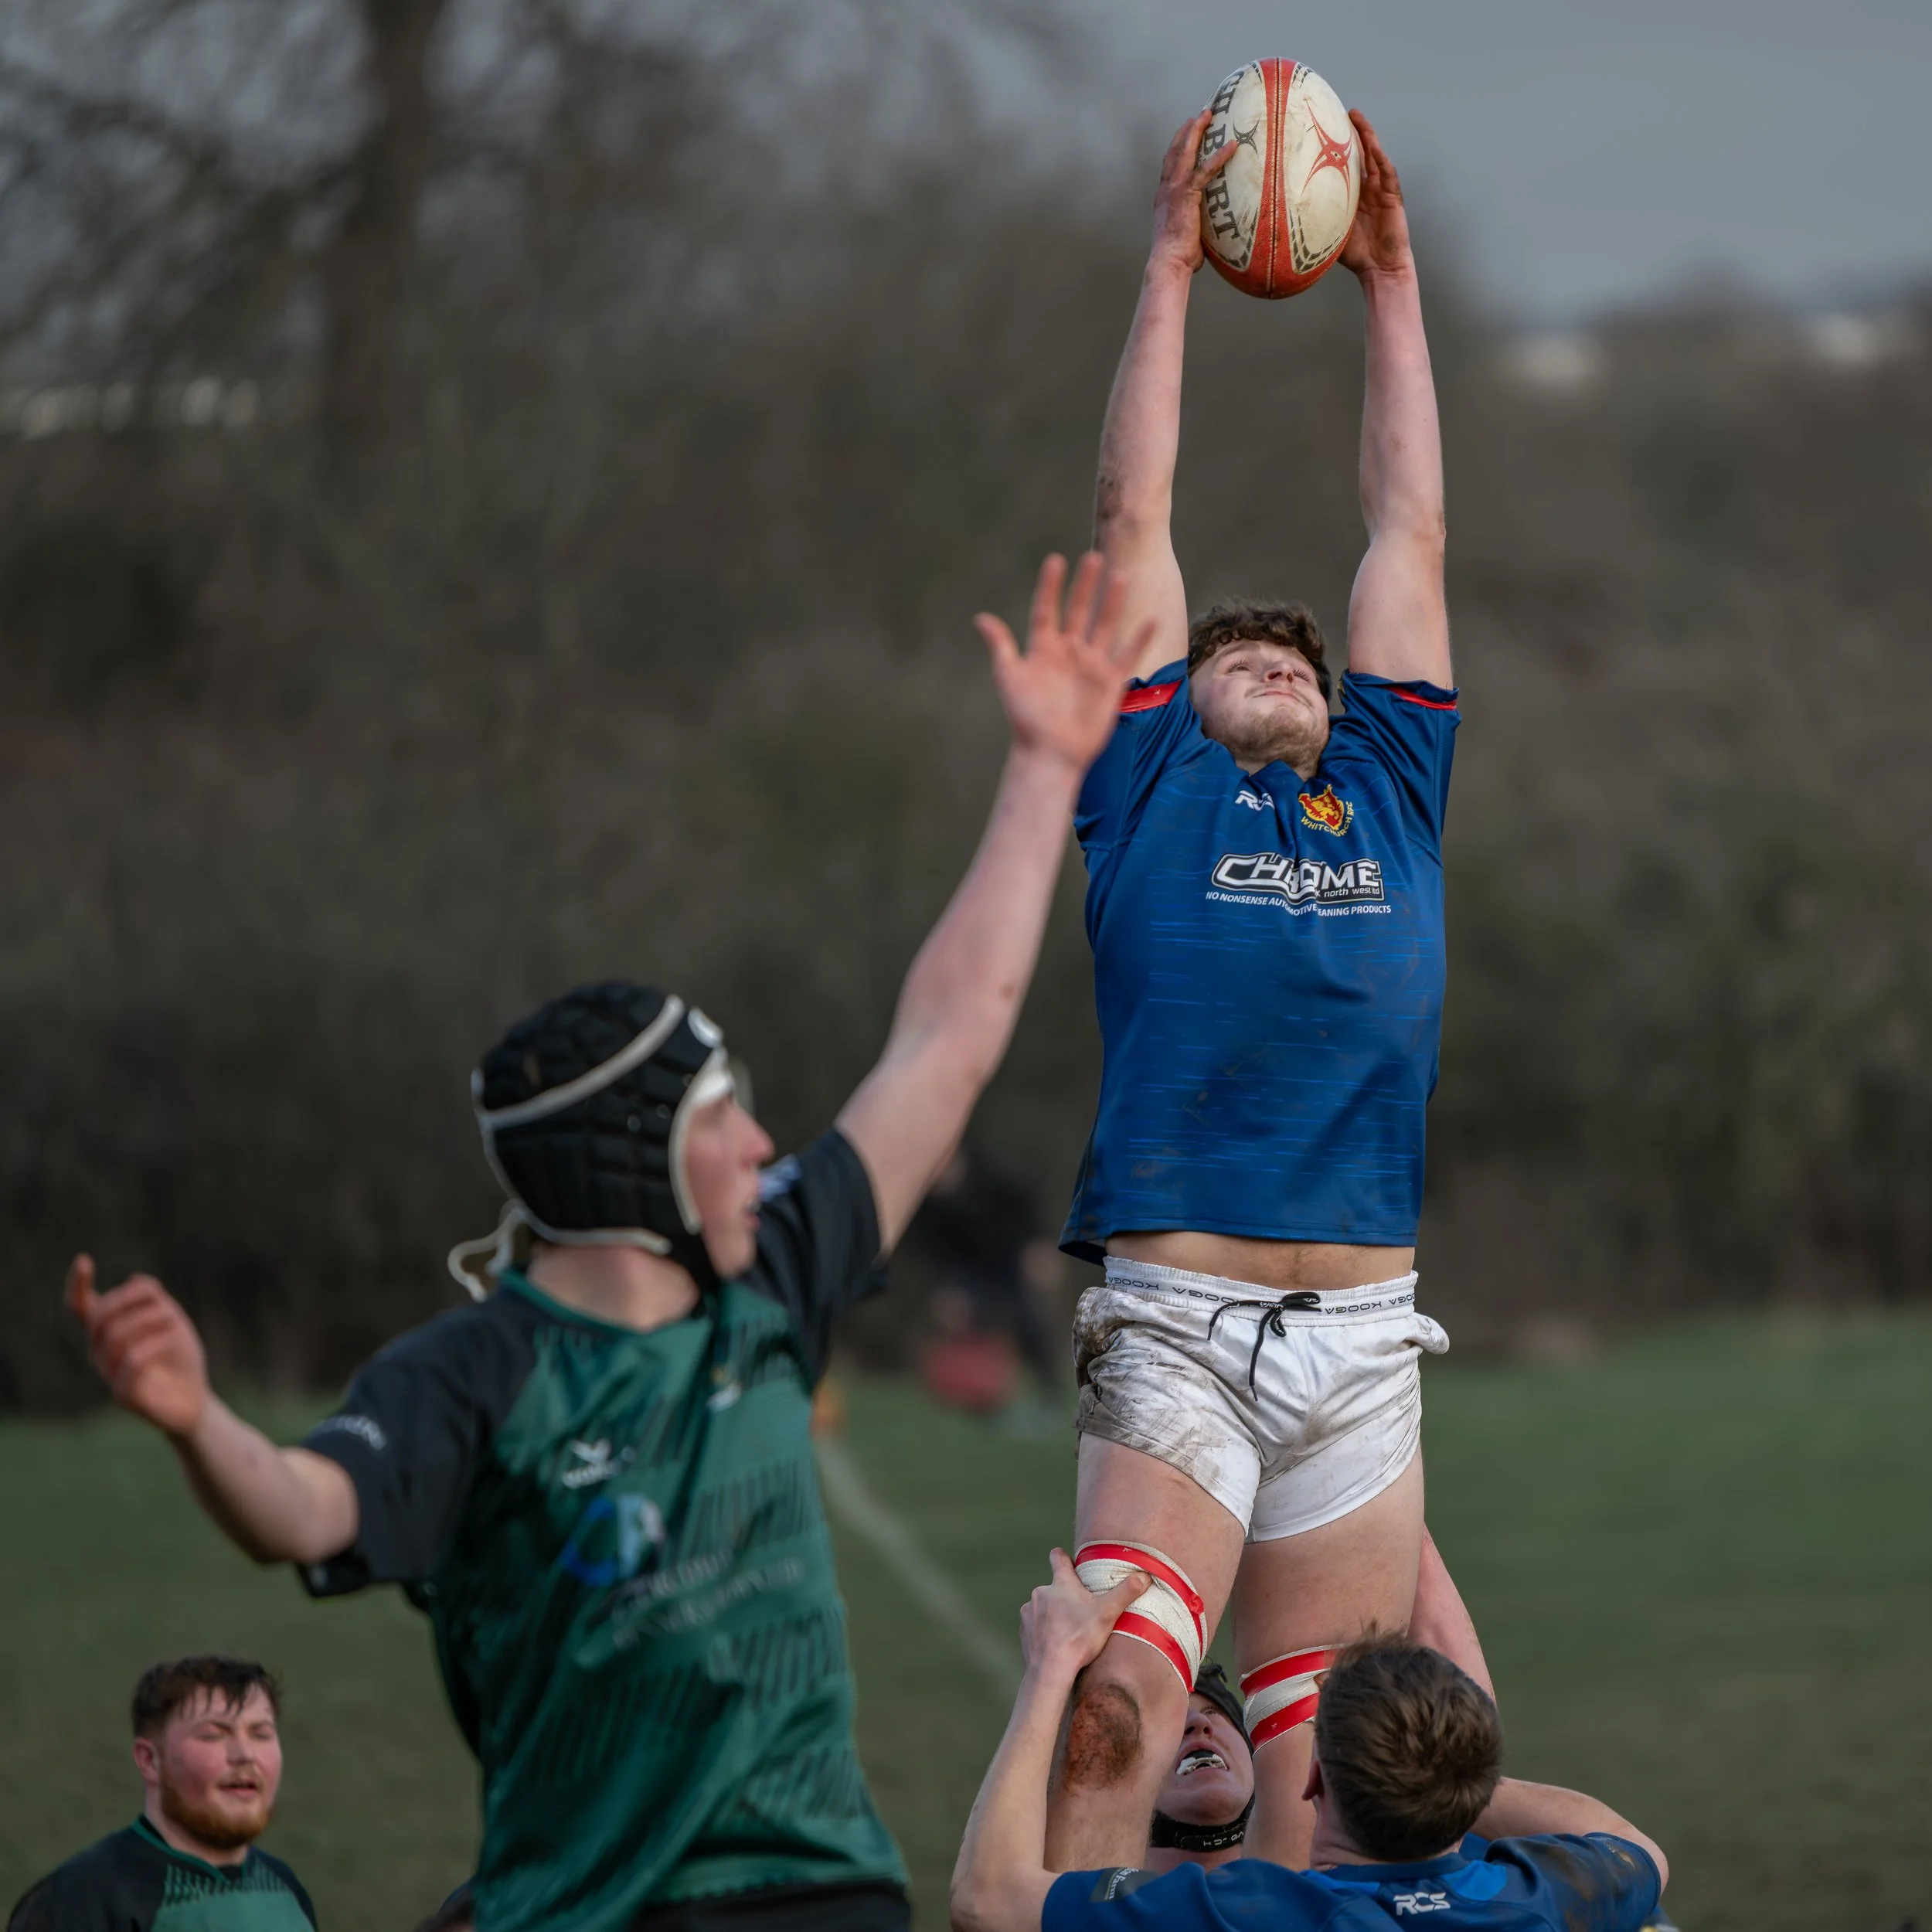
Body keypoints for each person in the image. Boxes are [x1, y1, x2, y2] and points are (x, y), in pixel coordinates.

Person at [65, 553, 1148, 1932]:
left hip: (814, 1893)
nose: (766, 1147)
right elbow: (301, 1509)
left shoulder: (774, 1270)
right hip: (585, 1910)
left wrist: (1048, 765)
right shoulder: (475, 1373)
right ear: (631, 1163)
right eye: (724, 1117)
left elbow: (948, 1038)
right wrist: (192, 1419)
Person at [1051, 100, 1464, 1867]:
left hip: (1365, 1341)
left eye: (1295, 653)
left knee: (1335, 1789)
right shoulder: (1145, 779)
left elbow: (1408, 535)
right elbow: (1133, 512)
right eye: (1237, 647)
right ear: (1180, 688)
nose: (1277, 660)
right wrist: (1168, 266)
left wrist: (1393, 283)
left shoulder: (1390, 786)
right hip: (1183, 1326)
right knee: (1118, 1716)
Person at [951, 1554, 1669, 1932]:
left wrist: (1053, 1663)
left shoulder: (1256, 1913)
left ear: (1312, 1782)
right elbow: (1636, 1848)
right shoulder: (1534, 1898)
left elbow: (987, 1902)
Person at [8, 1655, 316, 1931]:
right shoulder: (77, 1903)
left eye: (261, 1734)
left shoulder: (285, 1889)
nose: (245, 1754)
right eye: (213, 1735)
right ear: (150, 1761)